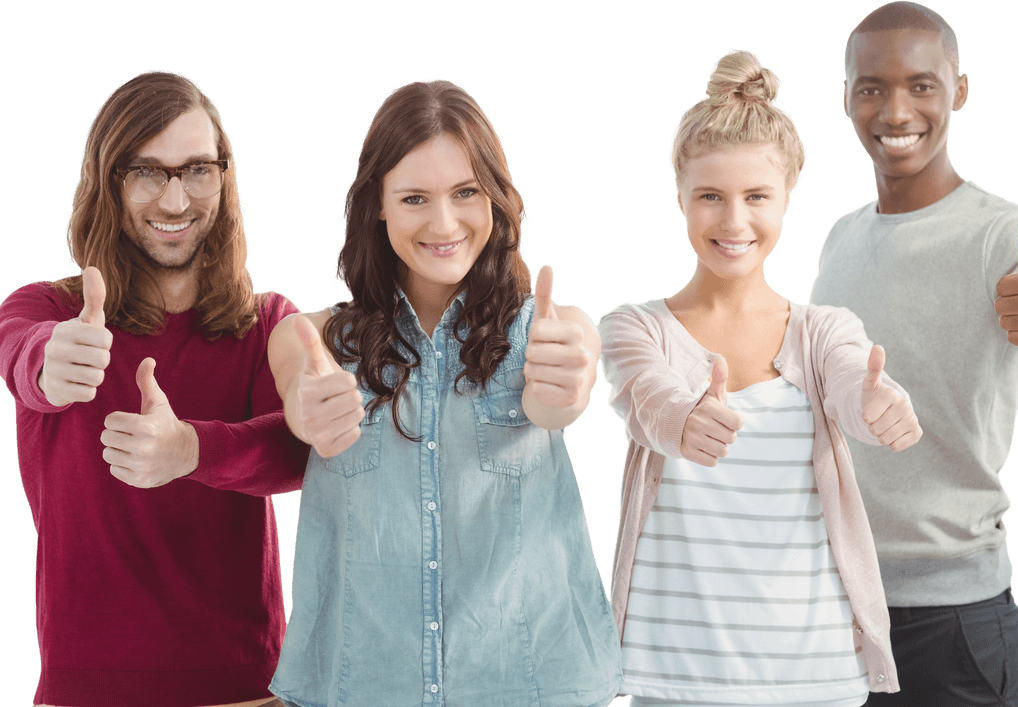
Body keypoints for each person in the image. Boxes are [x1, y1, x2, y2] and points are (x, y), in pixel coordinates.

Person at [264, 79, 622, 707]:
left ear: (496, 198)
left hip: (530, 683)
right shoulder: (320, 337)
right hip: (362, 685)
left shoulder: (551, 328)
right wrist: (307, 404)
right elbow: (296, 368)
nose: (444, 222)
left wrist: (569, 382)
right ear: (377, 204)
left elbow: (561, 391)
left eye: (465, 193)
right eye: (414, 198)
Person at [599, 49, 922, 707]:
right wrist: (683, 422)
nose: (733, 221)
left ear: (787, 197)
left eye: (756, 197)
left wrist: (875, 401)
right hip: (675, 675)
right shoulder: (635, 328)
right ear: (681, 198)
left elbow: (851, 382)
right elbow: (646, 398)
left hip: (816, 671)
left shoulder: (823, 330)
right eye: (710, 197)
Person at [0, 71, 309, 707]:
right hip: (84, 693)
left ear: (224, 177)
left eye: (197, 169)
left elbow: (297, 450)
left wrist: (189, 451)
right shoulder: (45, 312)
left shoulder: (269, 321)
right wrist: (50, 362)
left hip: (246, 691)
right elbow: (21, 357)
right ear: (108, 181)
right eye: (146, 170)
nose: (175, 202)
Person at [808, 3, 1018, 705]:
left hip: (953, 623)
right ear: (846, 100)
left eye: (921, 85)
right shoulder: (839, 237)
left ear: (959, 90)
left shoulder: (1008, 233)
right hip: (830, 608)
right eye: (872, 88)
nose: (896, 109)